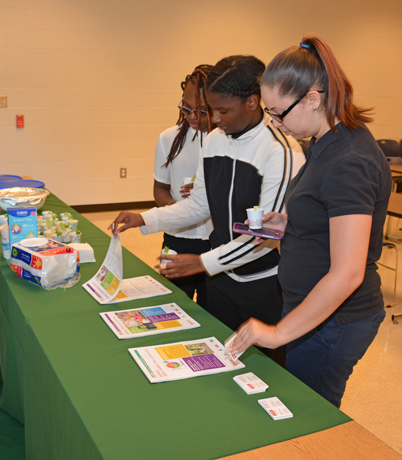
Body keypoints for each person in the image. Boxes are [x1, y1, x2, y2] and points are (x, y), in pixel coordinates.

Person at [228, 35, 390, 408]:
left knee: (308, 417)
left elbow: (347, 273)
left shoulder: (348, 160)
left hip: (335, 323)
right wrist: (289, 223)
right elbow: (329, 215)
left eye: (278, 112)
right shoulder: (325, 140)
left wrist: (277, 332)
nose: (275, 122)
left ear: (313, 99)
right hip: (312, 310)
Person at [111, 55, 305, 362]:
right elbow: (199, 205)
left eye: (222, 110)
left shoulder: (280, 150)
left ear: (252, 102)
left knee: (265, 370)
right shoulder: (215, 140)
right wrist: (145, 218)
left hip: (262, 284)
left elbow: (264, 237)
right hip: (221, 281)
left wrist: (202, 262)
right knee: (218, 360)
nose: (214, 119)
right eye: (211, 109)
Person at [153, 65, 214, 308]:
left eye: (201, 111)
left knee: (214, 312)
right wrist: (177, 209)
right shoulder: (169, 138)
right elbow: (159, 188)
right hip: (177, 238)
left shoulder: (229, 143)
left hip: (214, 243)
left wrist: (207, 194)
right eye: (185, 107)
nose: (191, 116)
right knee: (170, 307)